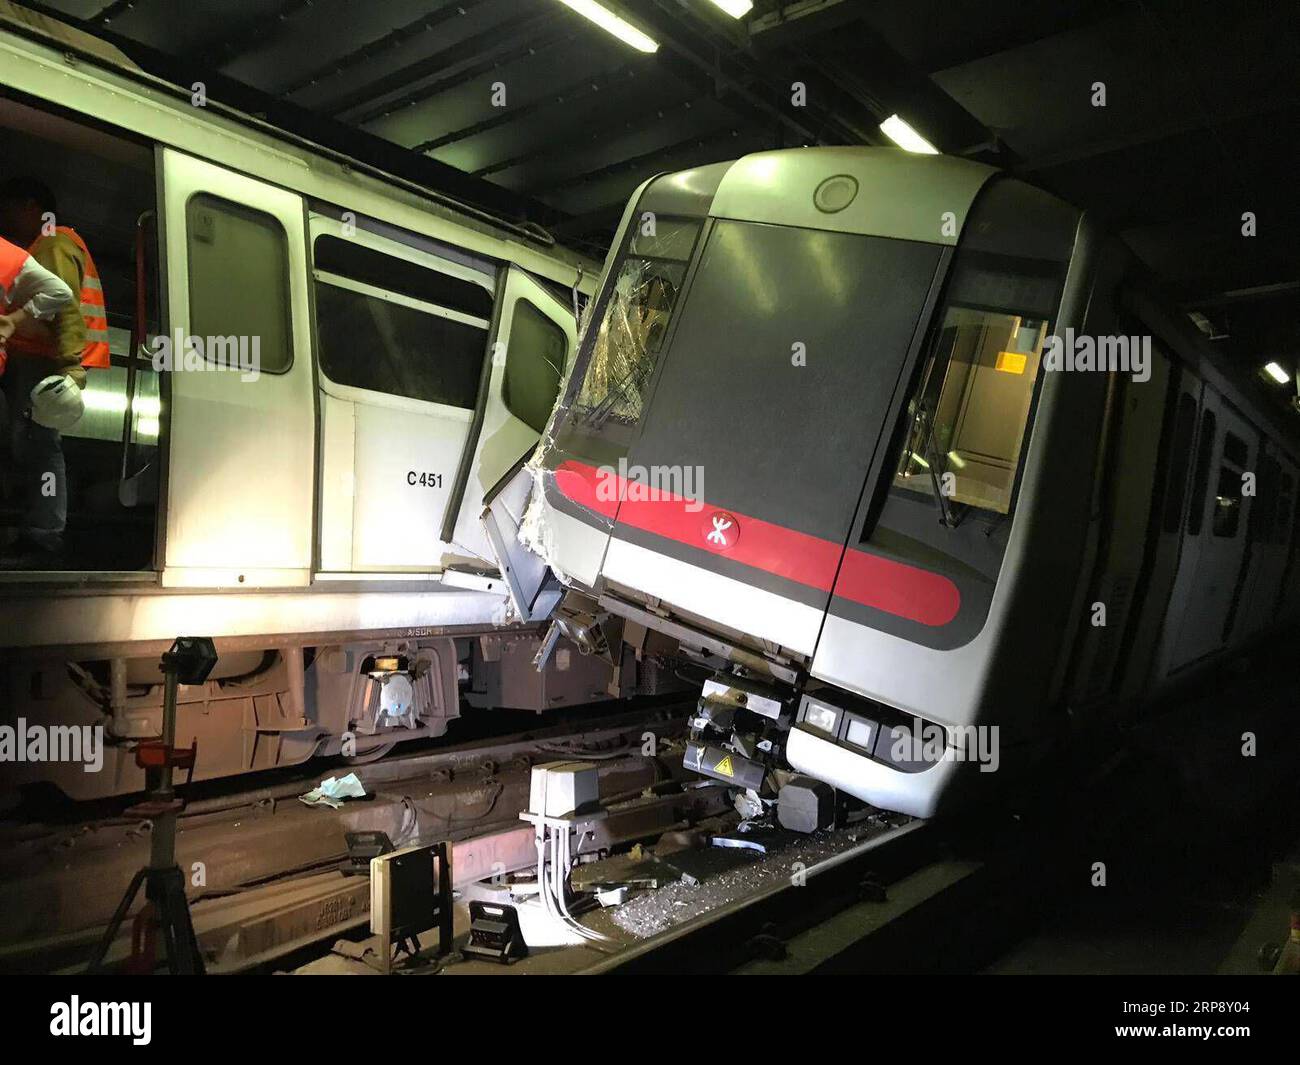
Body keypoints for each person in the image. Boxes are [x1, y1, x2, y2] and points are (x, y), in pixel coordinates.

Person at [0, 177, 110, 567]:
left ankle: (44, 536)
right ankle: (39, 529)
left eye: (11, 208)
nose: (7, 218)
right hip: (37, 361)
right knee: (29, 444)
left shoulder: (53, 243)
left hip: (44, 363)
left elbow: (65, 306)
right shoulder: (45, 245)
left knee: (40, 447)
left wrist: (69, 367)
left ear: (32, 207)